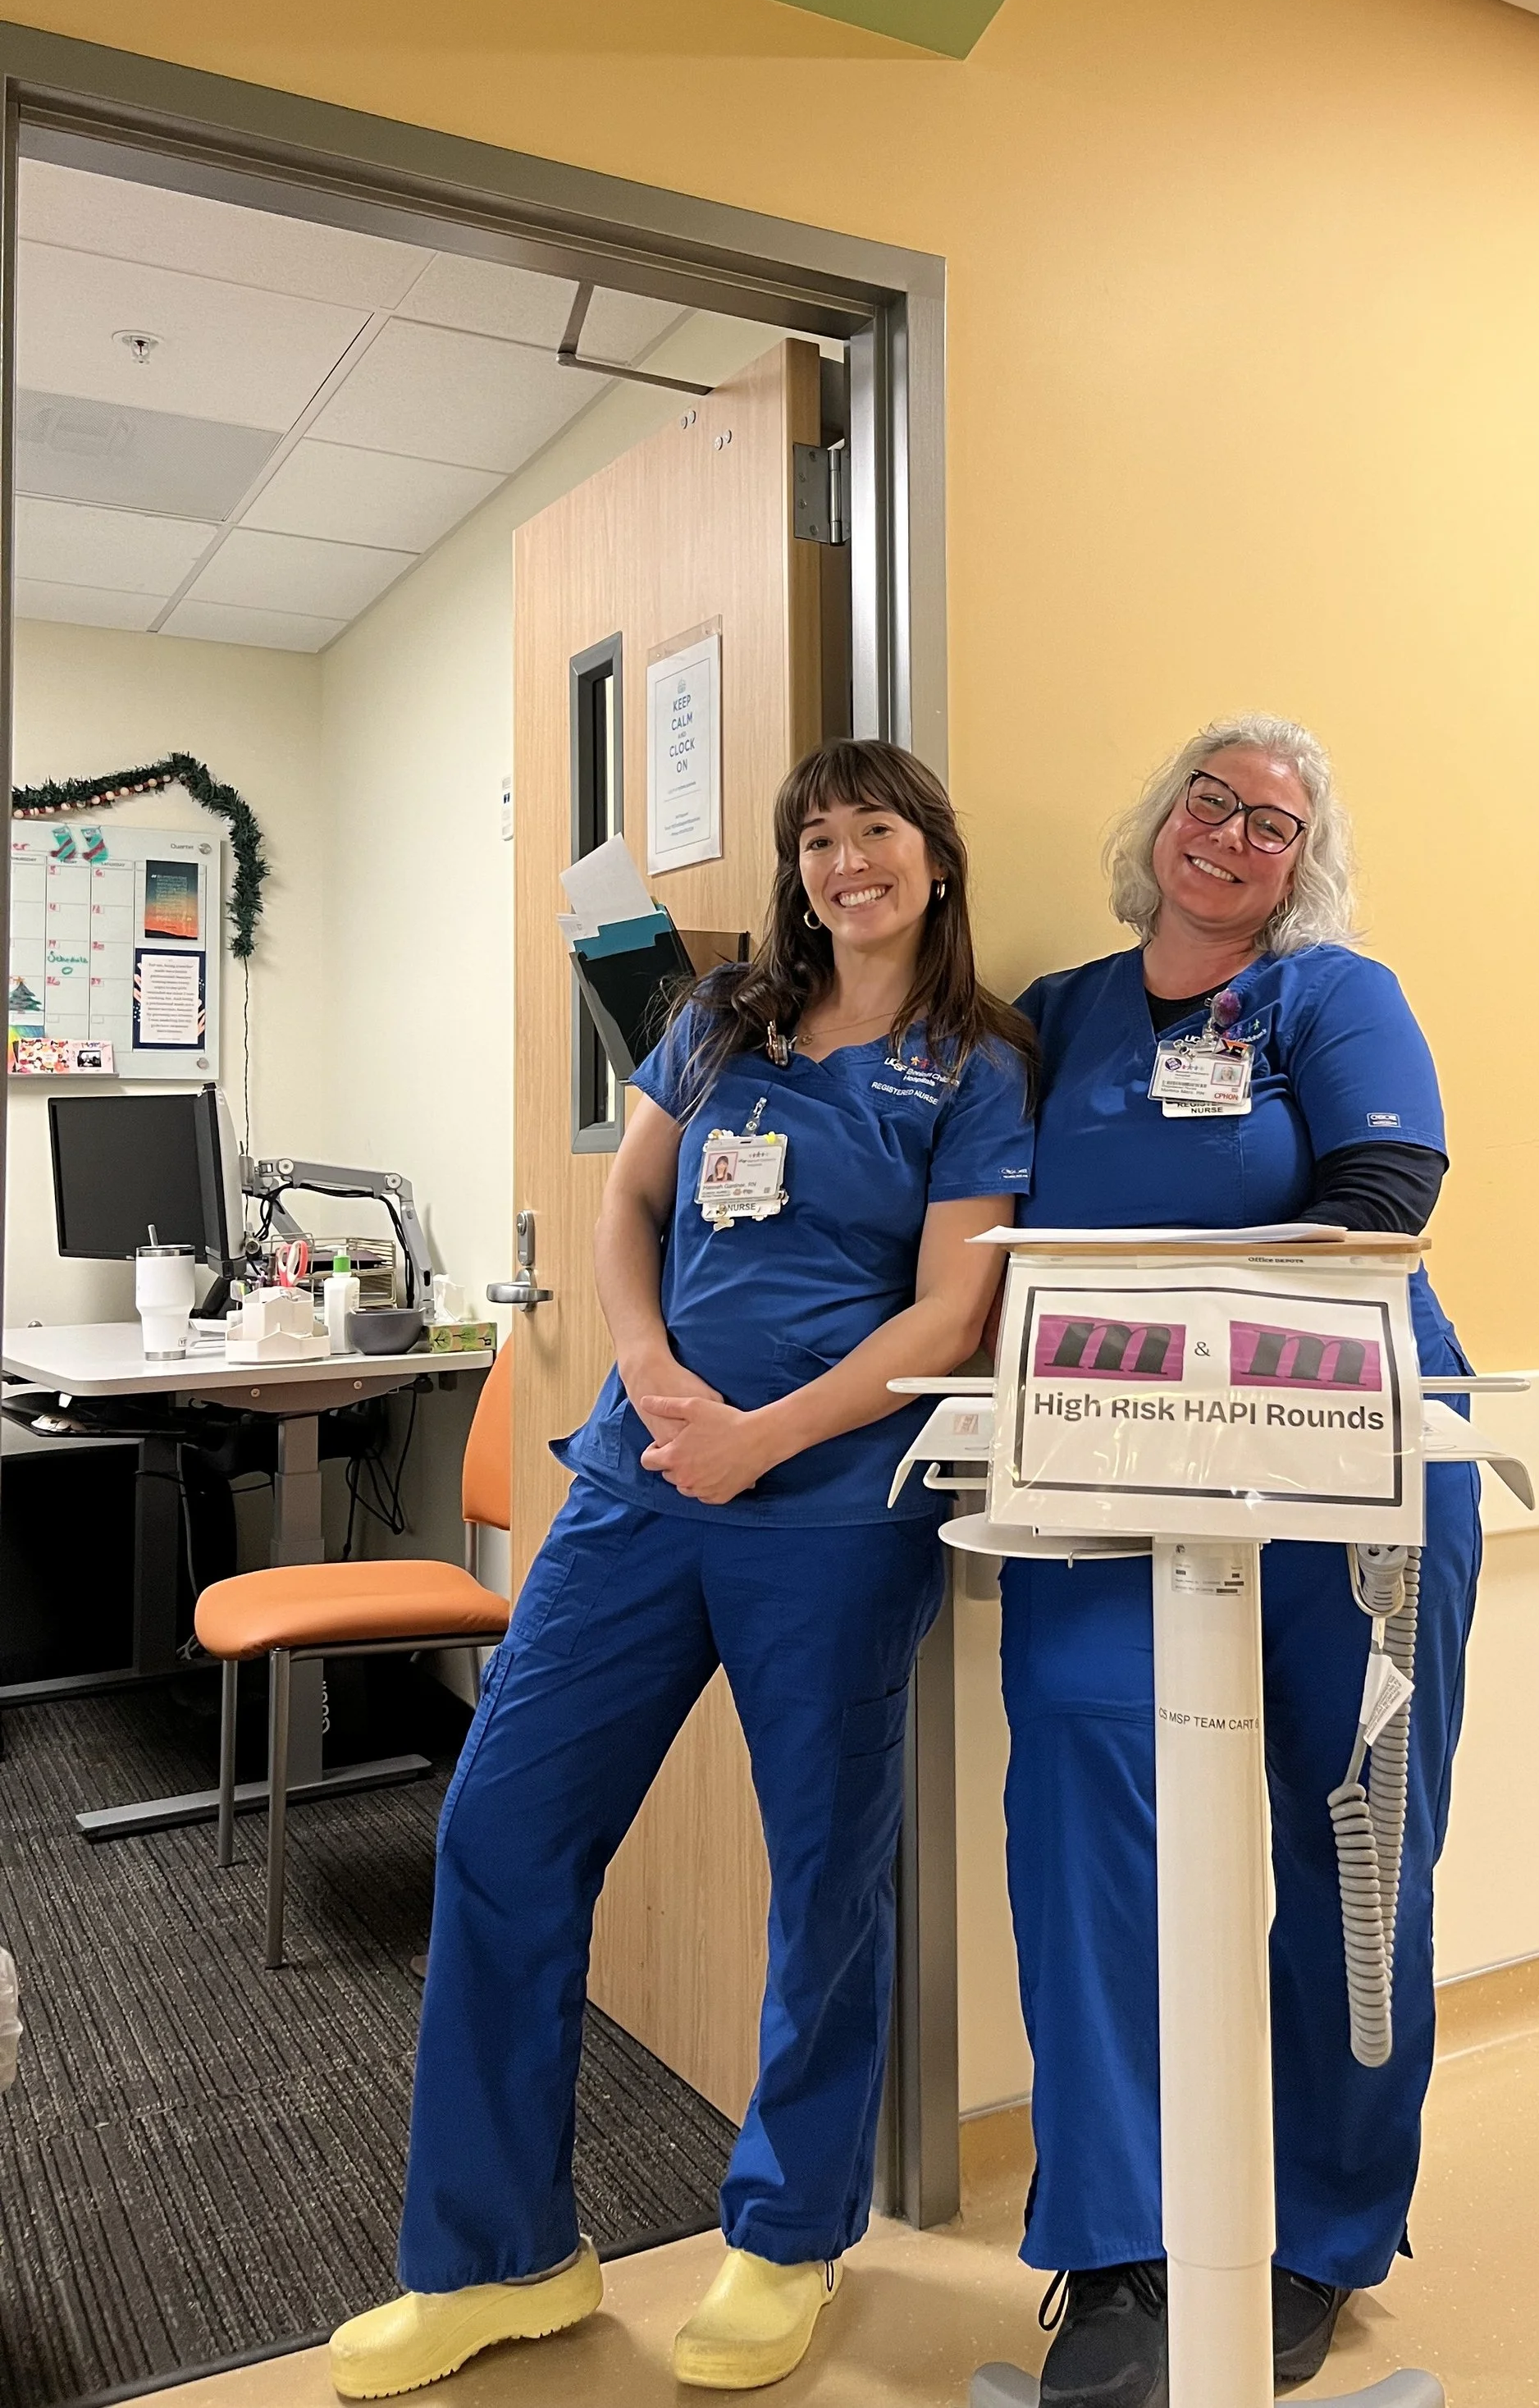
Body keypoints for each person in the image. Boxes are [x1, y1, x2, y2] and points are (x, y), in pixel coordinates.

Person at [330, 740, 1034, 2400]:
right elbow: (625, 1209)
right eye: (817, 837)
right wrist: (647, 1376)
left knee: (823, 1885)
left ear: (935, 855)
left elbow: (953, 1313)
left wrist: (763, 1434)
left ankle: (785, 2237)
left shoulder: (974, 1060)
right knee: (500, 1829)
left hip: (834, 1511)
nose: (844, 861)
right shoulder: (717, 1015)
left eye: (876, 832)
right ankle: (498, 2255)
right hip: (637, 1490)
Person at [1002, 715, 1481, 2408]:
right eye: (1207, 800)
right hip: (1101, 1463)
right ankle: (1122, 2250)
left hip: (1344, 1457)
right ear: (1156, 821)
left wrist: (1195, 1311)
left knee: (1355, 1846)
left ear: (1300, 862)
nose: (1229, 834)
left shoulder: (1325, 993)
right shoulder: (1052, 1016)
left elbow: (1379, 1189)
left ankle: (1321, 2236)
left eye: (1269, 822)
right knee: (1079, 1805)